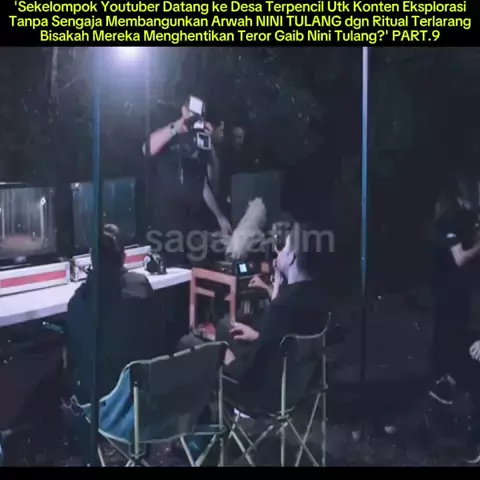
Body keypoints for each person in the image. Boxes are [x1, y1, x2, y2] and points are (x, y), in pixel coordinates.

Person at [179, 221, 329, 396]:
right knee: (227, 328)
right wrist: (257, 335)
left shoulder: (282, 308)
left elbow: (247, 372)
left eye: (284, 249)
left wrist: (223, 353)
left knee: (187, 343)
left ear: (292, 258)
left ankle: (198, 411)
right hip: (293, 391)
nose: (278, 253)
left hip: (257, 392)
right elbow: (283, 342)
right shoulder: (315, 300)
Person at [65, 224, 160, 405]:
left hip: (103, 399)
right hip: (142, 391)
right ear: (123, 257)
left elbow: (76, 355)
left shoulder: (78, 303)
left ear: (93, 259)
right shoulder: (141, 285)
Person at [143, 100, 231, 266]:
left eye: (200, 115)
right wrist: (177, 126)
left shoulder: (198, 139)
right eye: (193, 113)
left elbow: (203, 183)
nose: (196, 118)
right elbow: (148, 148)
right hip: (167, 223)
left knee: (198, 267)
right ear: (184, 110)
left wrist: (219, 216)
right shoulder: (169, 133)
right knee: (171, 268)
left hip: (192, 223)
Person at [428, 179, 480, 406]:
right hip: (450, 287)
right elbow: (459, 258)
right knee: (452, 330)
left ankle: (448, 379)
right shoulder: (450, 220)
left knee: (452, 330)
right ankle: (447, 379)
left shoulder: (456, 220)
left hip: (451, 287)